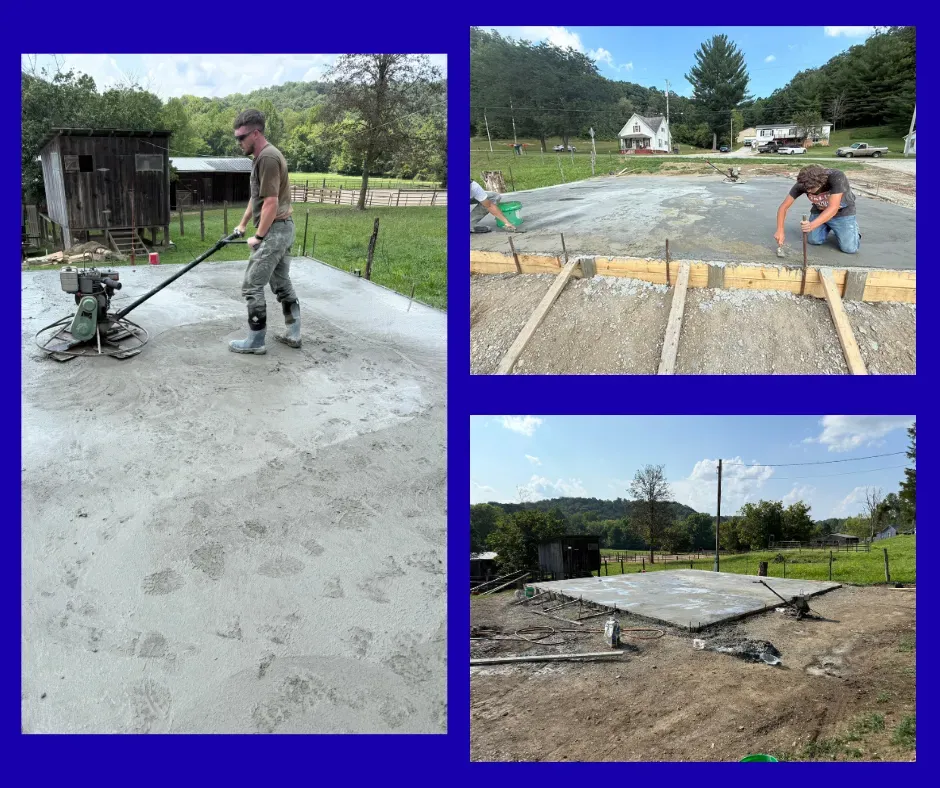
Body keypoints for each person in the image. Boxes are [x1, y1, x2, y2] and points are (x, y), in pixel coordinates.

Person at [228, 108, 300, 354]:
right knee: (280, 283)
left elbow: (270, 202)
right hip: (282, 228)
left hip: (276, 230)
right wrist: (244, 223)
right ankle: (294, 333)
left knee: (251, 284)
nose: (239, 142)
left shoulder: (267, 158)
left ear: (255, 133)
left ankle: (256, 341)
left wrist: (259, 237)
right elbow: (257, 197)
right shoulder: (261, 158)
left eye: (241, 137)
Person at [774, 165, 860, 254]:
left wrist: (811, 225)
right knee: (813, 240)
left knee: (849, 249)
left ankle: (852, 229)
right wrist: (780, 230)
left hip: (842, 212)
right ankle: (827, 226)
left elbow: (833, 208)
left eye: (812, 188)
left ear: (821, 183)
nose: (809, 191)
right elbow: (783, 207)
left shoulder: (836, 177)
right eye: (807, 189)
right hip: (820, 210)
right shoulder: (803, 183)